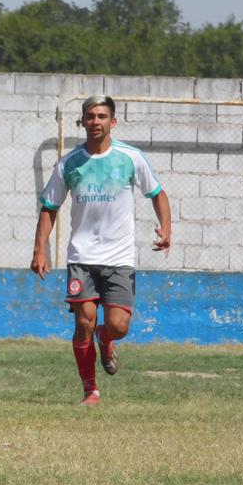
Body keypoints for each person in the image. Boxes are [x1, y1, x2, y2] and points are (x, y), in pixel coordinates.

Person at [30, 95, 171, 406]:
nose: (96, 121)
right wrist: (39, 249)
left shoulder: (130, 158)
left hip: (119, 259)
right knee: (84, 322)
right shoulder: (69, 163)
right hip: (81, 257)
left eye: (102, 116)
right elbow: (49, 207)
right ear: (83, 122)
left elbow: (158, 194)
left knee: (119, 326)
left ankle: (106, 340)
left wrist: (166, 228)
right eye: (90, 116)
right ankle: (90, 389)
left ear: (113, 122)